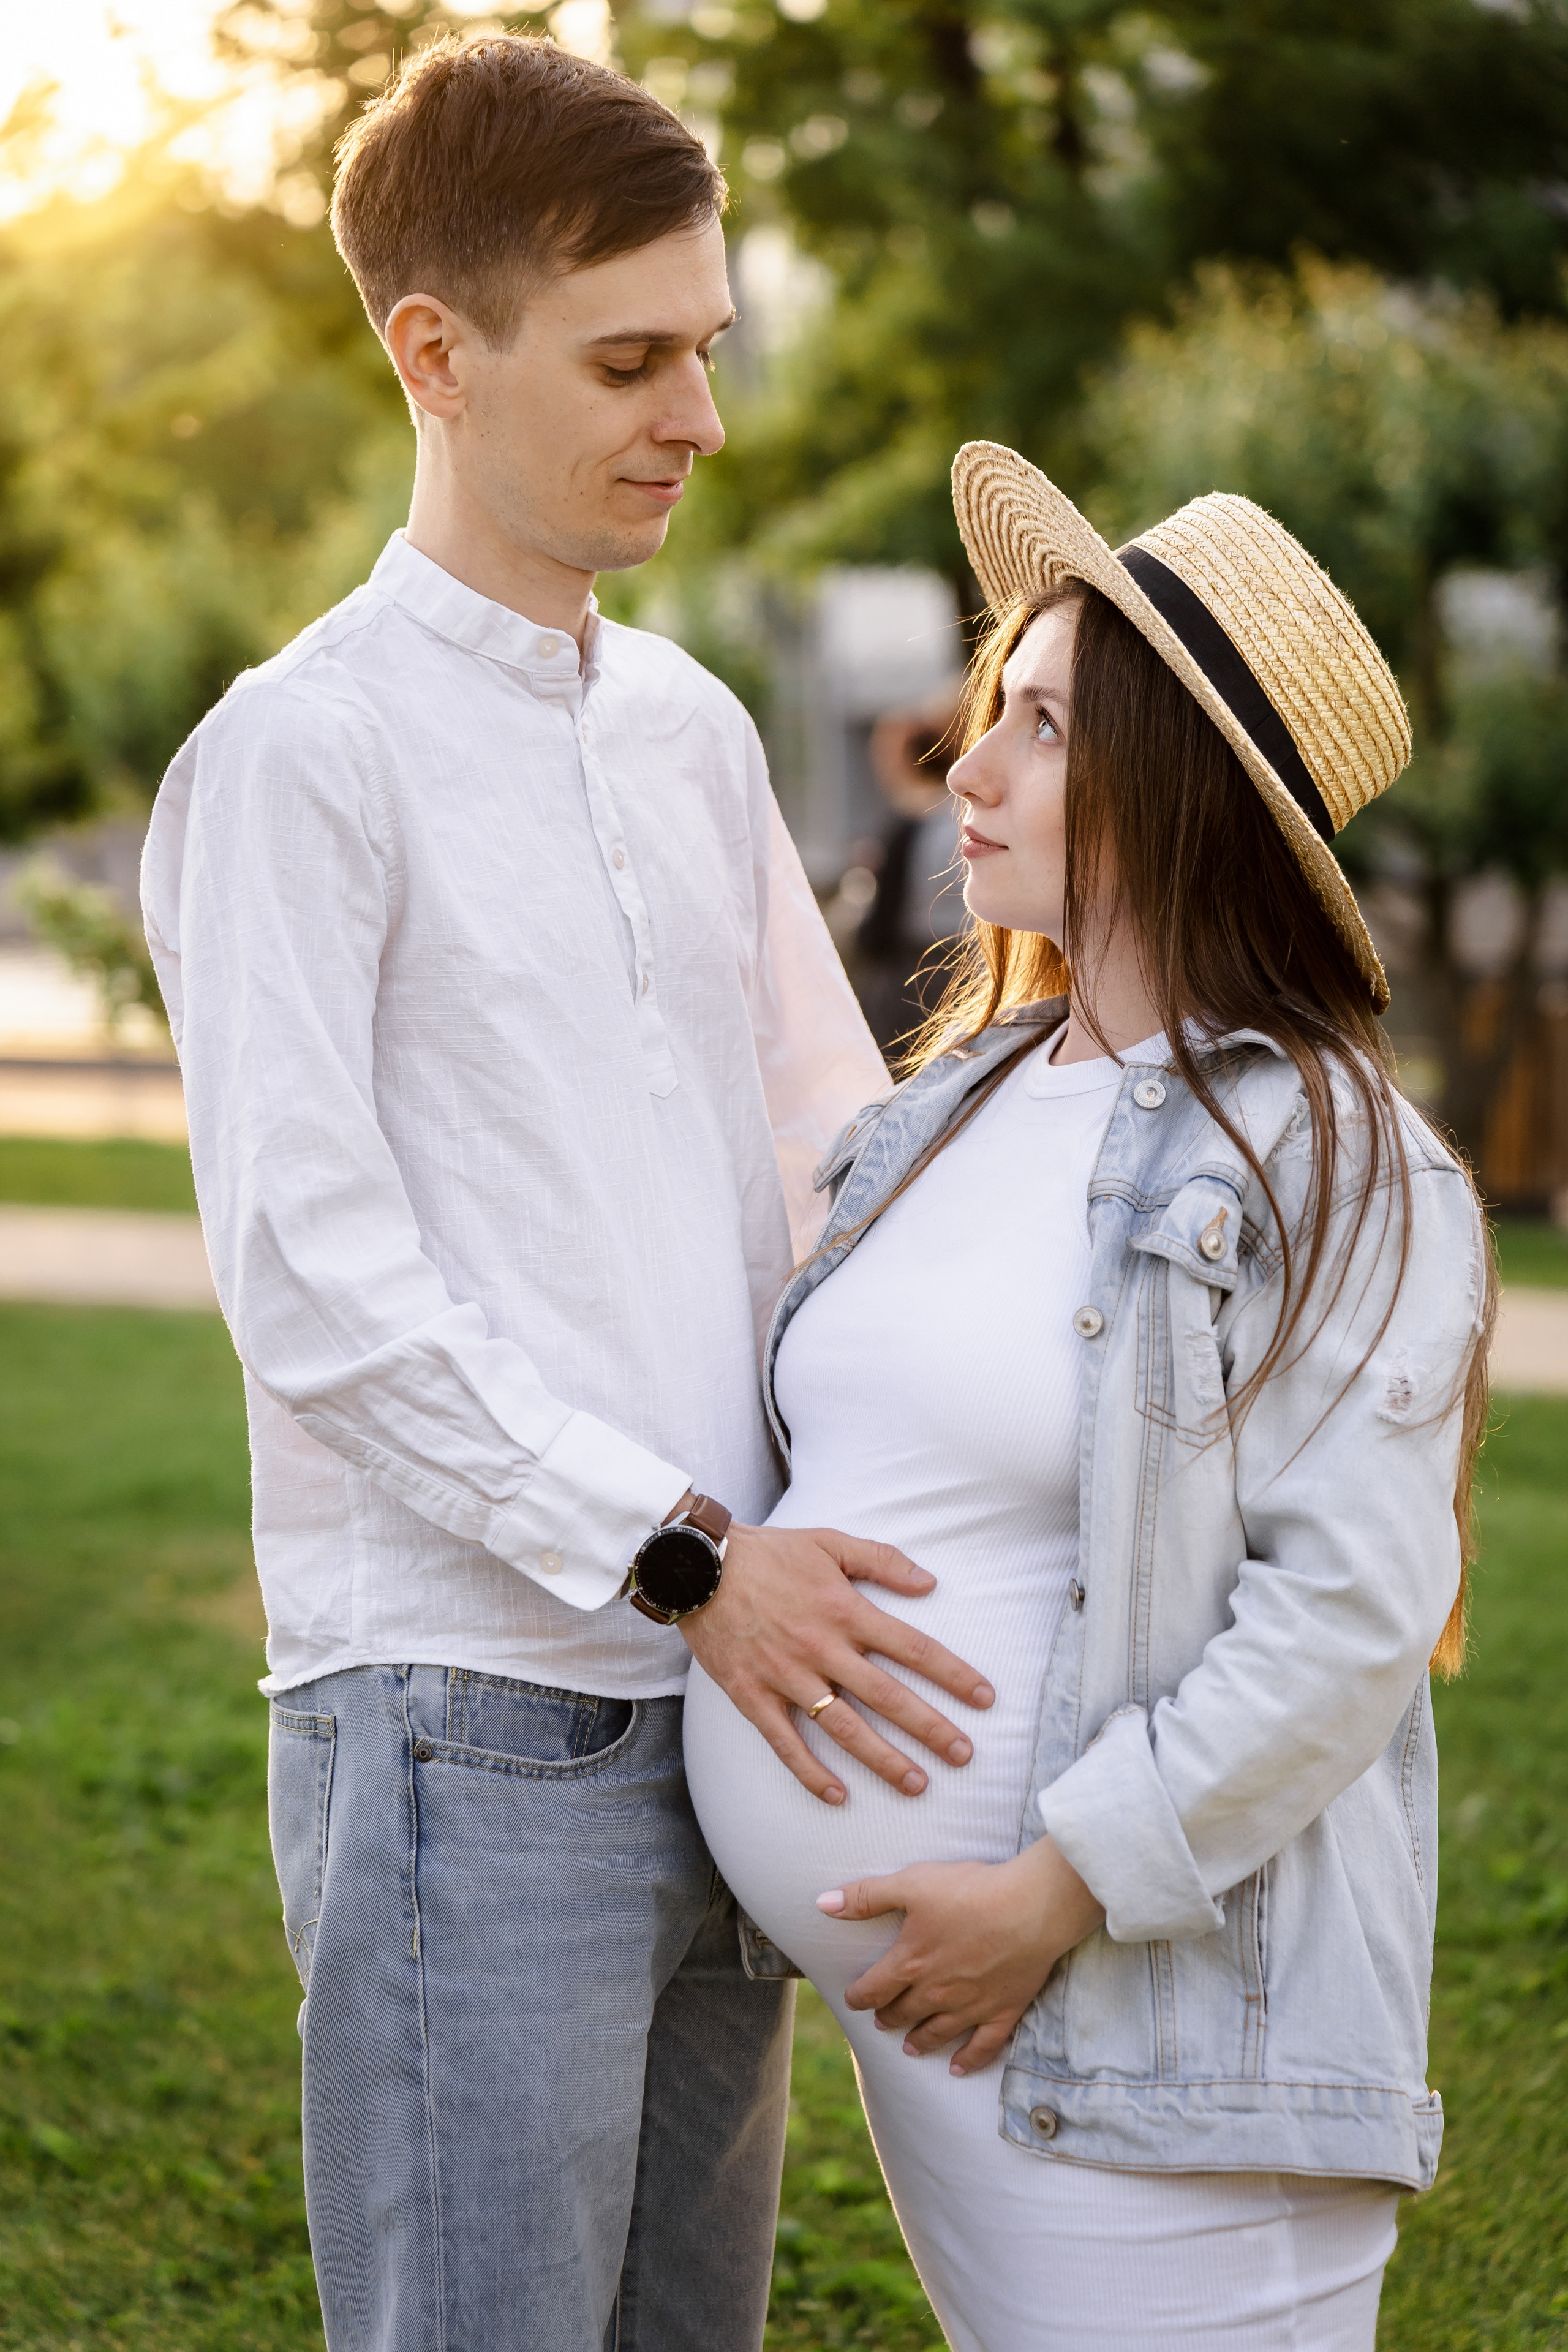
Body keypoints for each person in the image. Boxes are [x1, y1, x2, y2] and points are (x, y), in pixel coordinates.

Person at [140, 36, 997, 2352]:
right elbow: (313, 1281)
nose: (699, 415)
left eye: (706, 348)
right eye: (632, 358)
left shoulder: (698, 729)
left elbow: (843, 1165)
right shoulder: (299, 757)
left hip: (748, 1717)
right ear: (435, 353)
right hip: (473, 1718)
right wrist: (687, 1557)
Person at [684, 442, 1494, 2352]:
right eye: (994, 712)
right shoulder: (964, 1097)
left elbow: (1353, 1613)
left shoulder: (1335, 1154)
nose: (967, 767)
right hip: (966, 2051)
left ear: (1182, 787)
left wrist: (1049, 1892)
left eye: (1040, 727)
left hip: (1147, 2043)